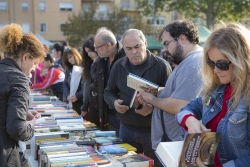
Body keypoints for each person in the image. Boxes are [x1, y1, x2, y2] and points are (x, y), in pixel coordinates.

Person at [176, 22, 250, 167]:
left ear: (241, 60)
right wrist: (190, 121)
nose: (215, 70)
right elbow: (185, 110)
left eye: (221, 64)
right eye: (211, 63)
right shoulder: (218, 89)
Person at [137, 19, 203, 166]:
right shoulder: (188, 62)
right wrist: (158, 92)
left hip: (176, 144)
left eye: (167, 43)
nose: (164, 49)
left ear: (182, 38)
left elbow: (182, 105)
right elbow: (179, 94)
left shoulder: (193, 64)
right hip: (173, 142)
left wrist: (152, 100)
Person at [104, 29, 172, 161]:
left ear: (145, 43)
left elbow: (171, 99)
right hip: (126, 129)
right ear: (124, 49)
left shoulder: (162, 66)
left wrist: (152, 108)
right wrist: (114, 102)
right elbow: (108, 92)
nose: (134, 51)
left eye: (137, 46)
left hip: (153, 131)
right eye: (128, 48)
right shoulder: (118, 66)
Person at [0, 23, 46, 166]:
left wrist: (22, 112)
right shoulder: (19, 80)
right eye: (34, 64)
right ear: (25, 57)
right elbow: (17, 129)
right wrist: (31, 126)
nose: (33, 70)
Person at [94, 27, 126, 134]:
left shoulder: (126, 56)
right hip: (109, 114)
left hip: (125, 113)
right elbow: (100, 87)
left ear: (108, 45)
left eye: (97, 47)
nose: (96, 50)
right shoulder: (101, 60)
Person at [81, 36, 100, 126]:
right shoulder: (90, 65)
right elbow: (87, 86)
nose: (89, 54)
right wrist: (85, 106)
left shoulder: (103, 63)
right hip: (93, 104)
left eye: (90, 51)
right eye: (87, 52)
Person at [62, 47, 84, 116]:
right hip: (72, 101)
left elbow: (87, 86)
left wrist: (77, 95)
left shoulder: (84, 66)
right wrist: (67, 95)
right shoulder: (69, 69)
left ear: (76, 55)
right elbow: (65, 83)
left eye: (70, 57)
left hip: (83, 101)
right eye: (68, 59)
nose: (69, 60)